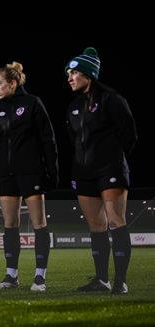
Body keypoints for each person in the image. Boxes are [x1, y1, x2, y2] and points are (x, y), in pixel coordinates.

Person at [65, 47, 137, 294]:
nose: (70, 78)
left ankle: (120, 281)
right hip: (84, 173)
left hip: (111, 169)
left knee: (116, 221)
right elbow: (74, 141)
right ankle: (101, 279)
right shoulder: (73, 106)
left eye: (74, 72)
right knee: (96, 226)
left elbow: (130, 135)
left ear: (88, 73)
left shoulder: (111, 99)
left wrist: (112, 159)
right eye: (68, 74)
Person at [0, 62, 59, 292]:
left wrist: (52, 170)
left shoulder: (32, 103)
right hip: (6, 174)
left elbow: (47, 139)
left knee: (39, 223)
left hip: (31, 172)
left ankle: (40, 277)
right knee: (10, 225)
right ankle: (11, 276)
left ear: (13, 83)